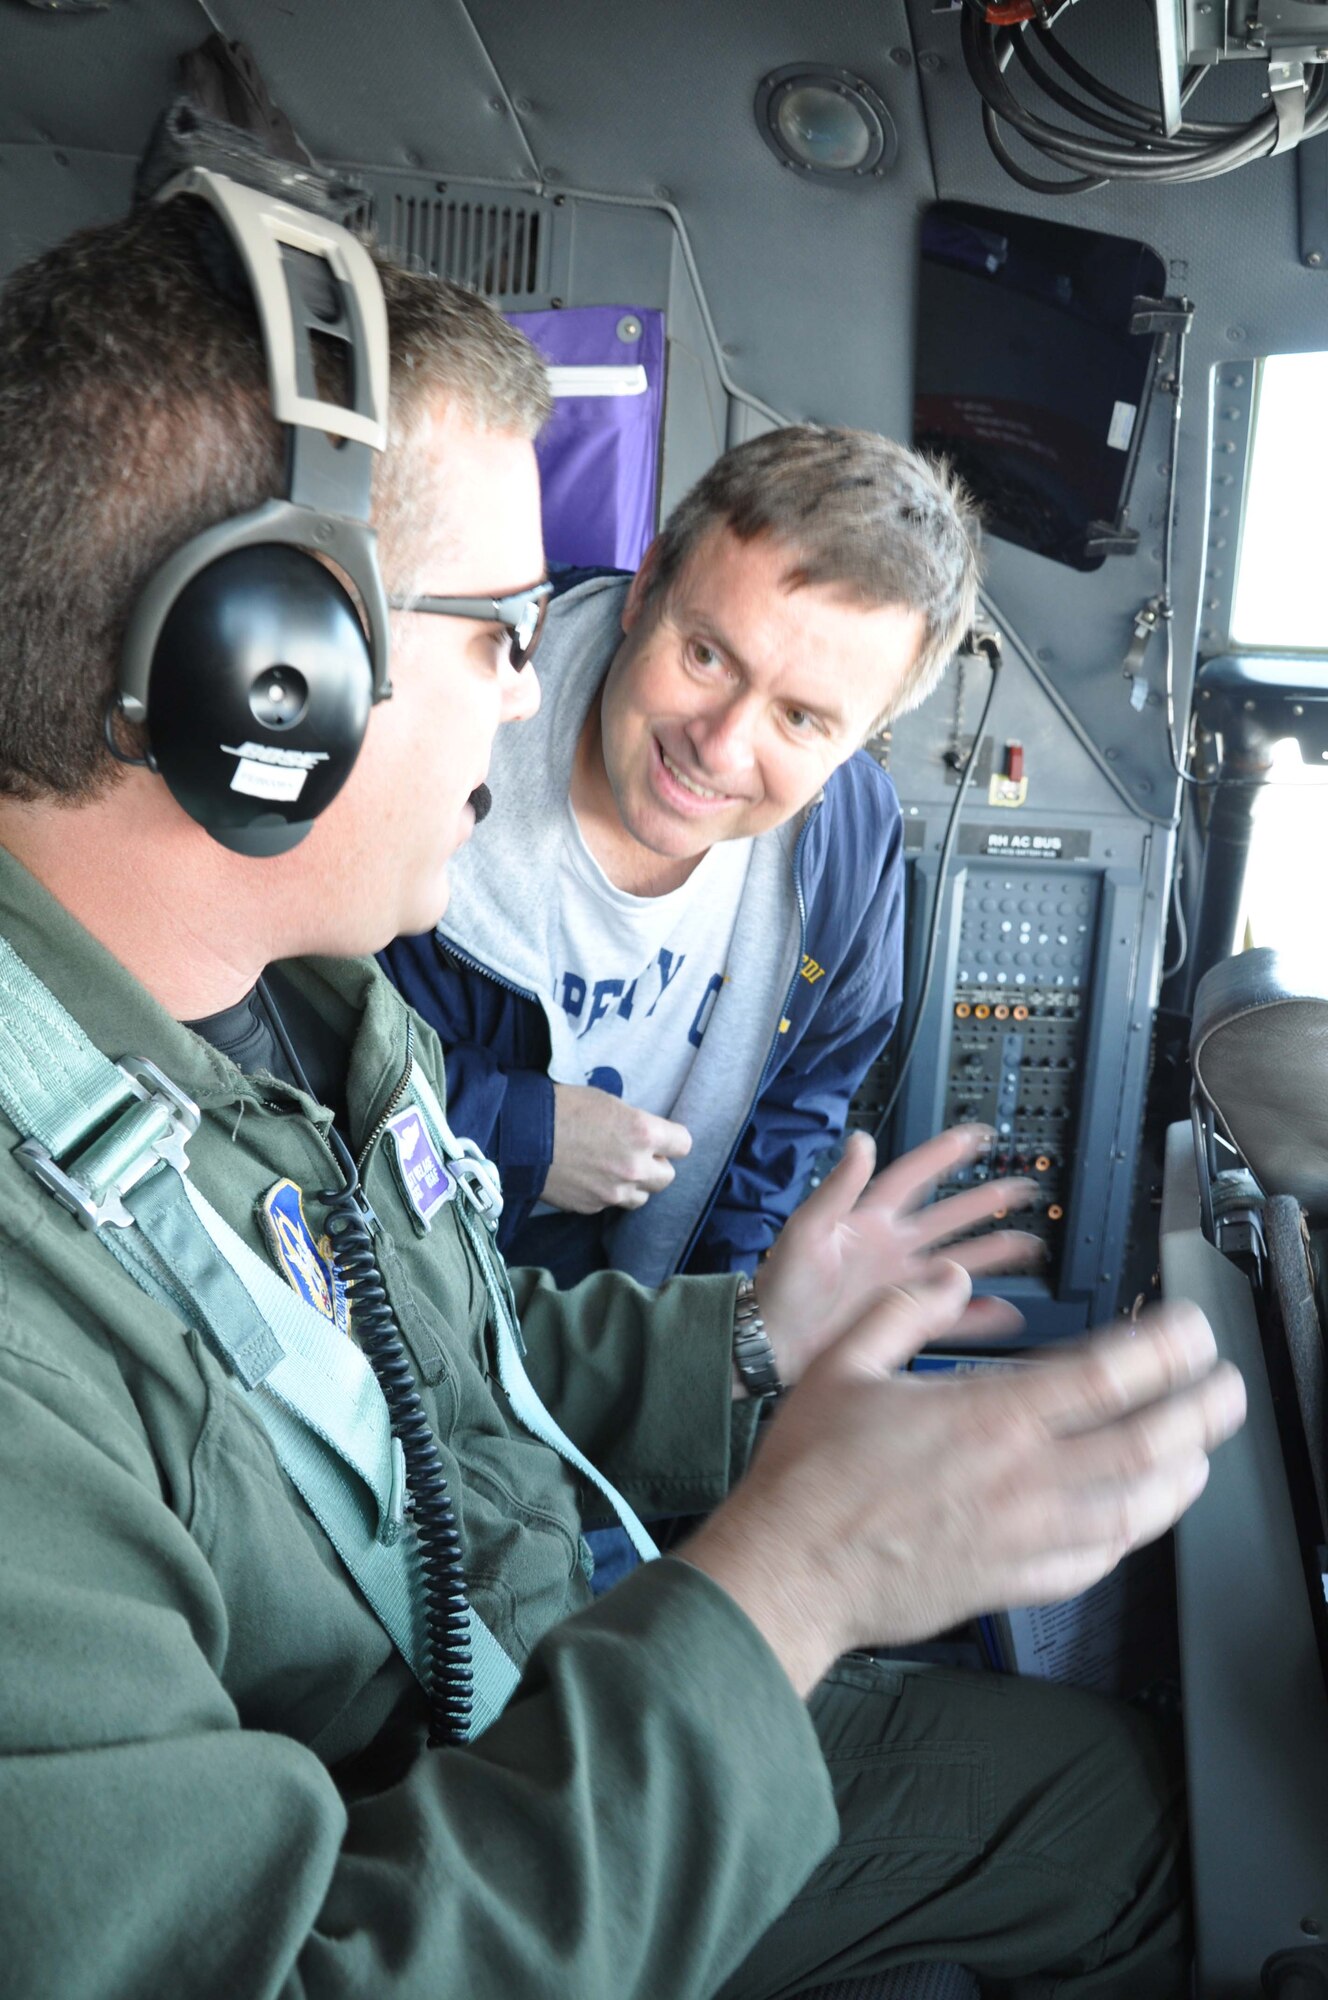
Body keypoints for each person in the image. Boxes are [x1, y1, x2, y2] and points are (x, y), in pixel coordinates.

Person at [0, 182, 1245, 2000]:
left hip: (520, 1658)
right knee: (1131, 1840)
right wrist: (785, 1590)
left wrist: (747, 1338)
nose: (527, 699)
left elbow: (444, 1358)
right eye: (501, 628)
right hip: (448, 1821)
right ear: (265, 678)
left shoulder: (308, 1014)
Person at [384, 427, 974, 1289]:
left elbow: (800, 1097)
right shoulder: (439, 711)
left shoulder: (849, 840)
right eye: (706, 656)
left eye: (801, 720)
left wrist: (715, 1325)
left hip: (635, 1310)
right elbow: (277, 1034)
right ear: (646, 587)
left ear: (860, 739)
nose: (721, 749)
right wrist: (519, 1130)